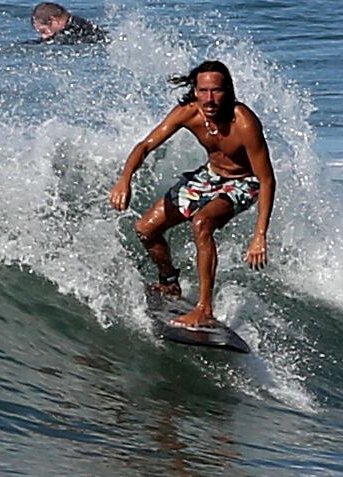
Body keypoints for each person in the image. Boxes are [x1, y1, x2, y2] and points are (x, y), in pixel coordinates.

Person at [109, 60, 275, 330]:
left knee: (202, 223)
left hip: (244, 181)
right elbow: (146, 144)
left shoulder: (244, 122)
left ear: (228, 91)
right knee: (145, 229)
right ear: (195, 90)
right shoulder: (188, 113)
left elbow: (267, 179)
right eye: (203, 90)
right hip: (209, 175)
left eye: (217, 91)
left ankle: (205, 309)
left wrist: (259, 235)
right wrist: (124, 179)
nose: (210, 98)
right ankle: (169, 282)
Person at [31, 1, 107, 45]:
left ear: (54, 20)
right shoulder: (74, 23)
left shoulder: (77, 28)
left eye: (43, 31)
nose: (44, 36)